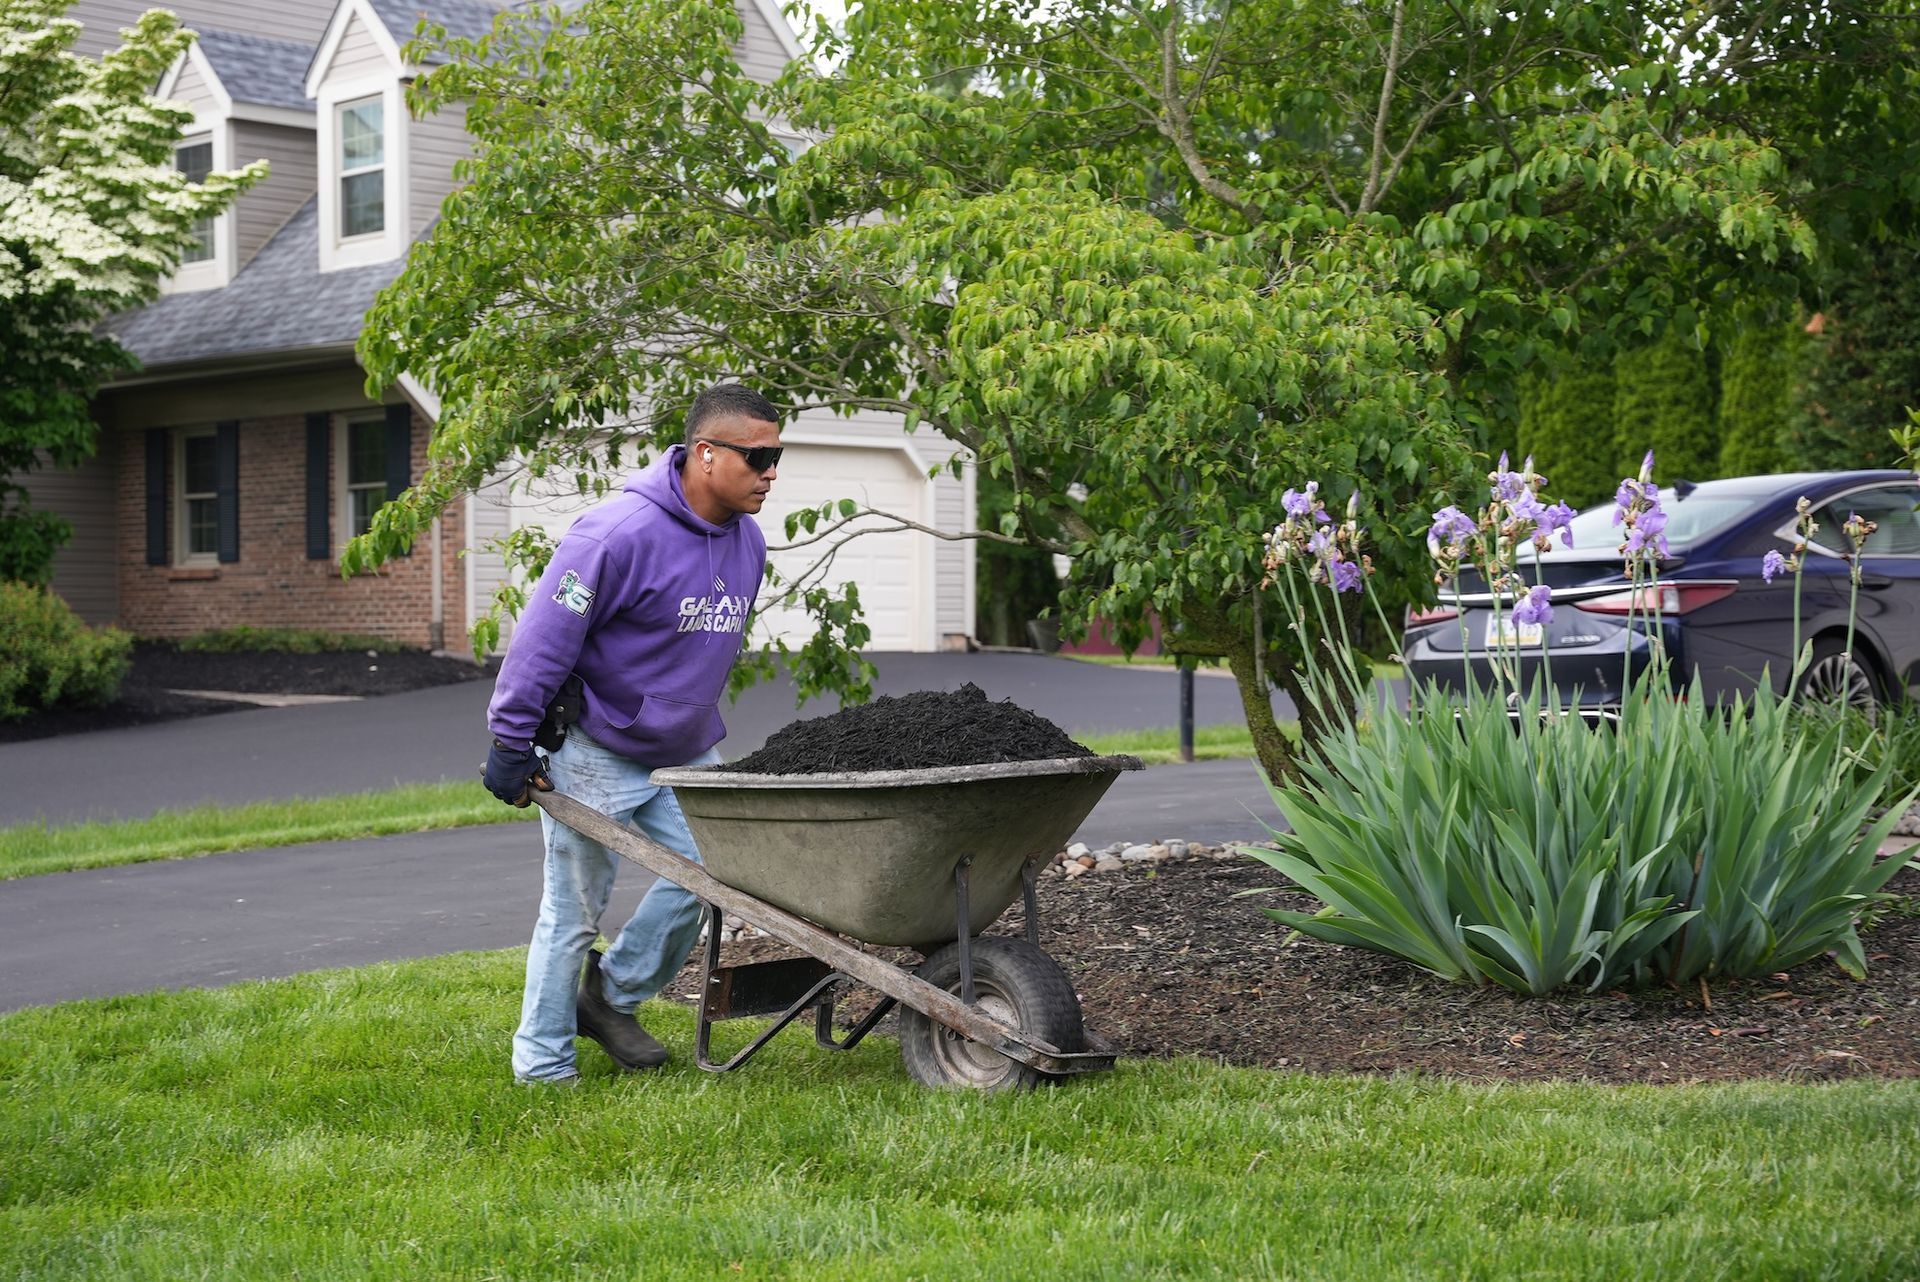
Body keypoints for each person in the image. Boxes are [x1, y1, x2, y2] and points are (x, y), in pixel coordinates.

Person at [482, 383, 782, 1084]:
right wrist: (510, 739)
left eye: (777, 457)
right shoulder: (615, 534)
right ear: (706, 455)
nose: (771, 473)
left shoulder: (748, 542)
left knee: (719, 877)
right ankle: (543, 1066)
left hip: (685, 751)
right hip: (592, 749)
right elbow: (544, 641)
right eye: (758, 457)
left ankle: (610, 997)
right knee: (574, 911)